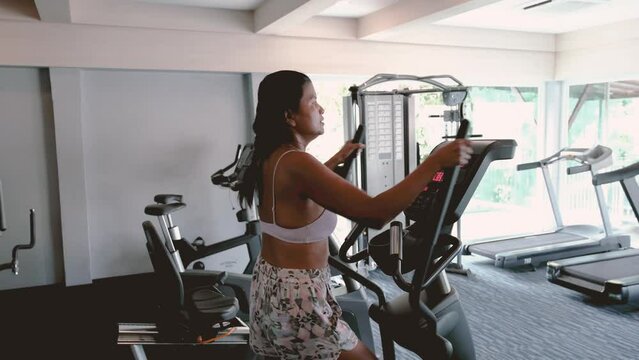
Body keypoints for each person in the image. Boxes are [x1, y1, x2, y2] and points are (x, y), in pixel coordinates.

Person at [239, 70, 473, 360]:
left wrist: (334, 161)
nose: (321, 109)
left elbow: (295, 195)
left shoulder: (272, 157)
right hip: (300, 300)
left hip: (271, 288)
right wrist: (434, 162)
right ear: (290, 116)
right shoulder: (298, 162)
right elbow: (376, 214)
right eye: (313, 102)